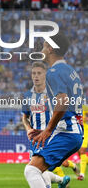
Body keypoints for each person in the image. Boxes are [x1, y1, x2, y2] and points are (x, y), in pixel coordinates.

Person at [24, 33, 84, 188]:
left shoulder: (53, 72)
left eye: (44, 46)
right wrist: (47, 129)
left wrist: (48, 130)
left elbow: (63, 103)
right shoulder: (71, 72)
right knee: (40, 171)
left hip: (67, 132)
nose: (42, 50)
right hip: (73, 131)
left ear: (50, 48)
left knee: (31, 171)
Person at [22, 61, 70, 188]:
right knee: (37, 171)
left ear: (45, 75)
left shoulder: (54, 93)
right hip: (36, 139)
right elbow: (25, 117)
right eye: (34, 73)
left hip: (51, 136)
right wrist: (28, 129)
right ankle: (62, 180)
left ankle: (59, 181)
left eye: (39, 73)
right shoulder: (27, 96)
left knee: (32, 171)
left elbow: (63, 110)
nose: (36, 76)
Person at [77, 105, 88, 180]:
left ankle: (81, 174)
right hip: (78, 131)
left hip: (86, 132)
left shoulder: (85, 106)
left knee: (82, 151)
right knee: (80, 153)